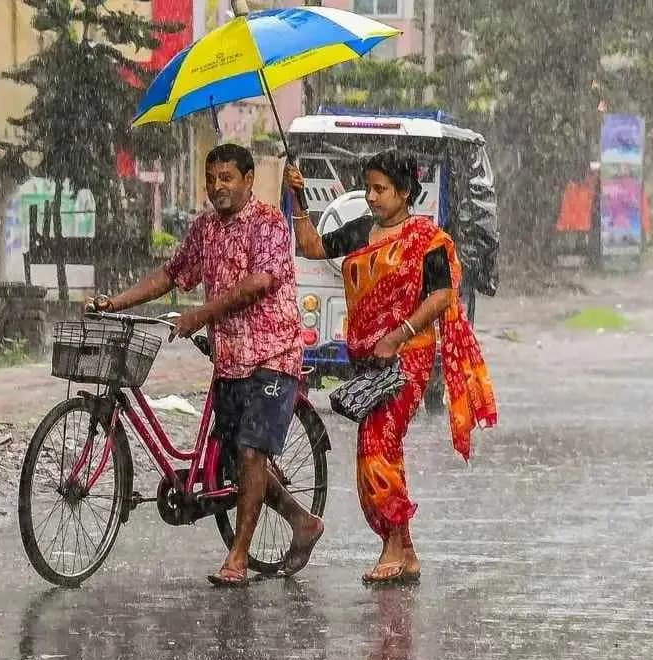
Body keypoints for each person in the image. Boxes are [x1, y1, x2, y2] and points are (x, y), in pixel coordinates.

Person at [88, 143, 324, 586]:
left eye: (227, 178)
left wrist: (199, 315)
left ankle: (238, 555)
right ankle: (302, 520)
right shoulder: (206, 230)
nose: (218, 187)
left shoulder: (269, 223)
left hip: (273, 354)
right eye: (211, 178)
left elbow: (258, 282)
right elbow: (170, 274)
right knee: (238, 462)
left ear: (249, 179)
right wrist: (113, 302)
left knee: (252, 451)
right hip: (229, 359)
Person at [286, 151, 497, 584]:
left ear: (405, 192)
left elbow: (440, 296)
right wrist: (300, 201)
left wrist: (398, 333)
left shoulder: (427, 239)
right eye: (369, 187)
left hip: (409, 355)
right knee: (378, 447)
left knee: (377, 446)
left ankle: (391, 546)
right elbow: (311, 247)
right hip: (369, 358)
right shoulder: (364, 230)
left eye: (381, 189)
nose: (372, 196)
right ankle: (406, 549)